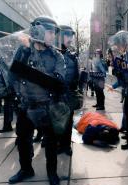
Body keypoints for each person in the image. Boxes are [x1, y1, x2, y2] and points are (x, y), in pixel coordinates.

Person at [7, 16, 68, 185]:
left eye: (53, 33)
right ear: (37, 31)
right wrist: (25, 52)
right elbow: (12, 76)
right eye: (49, 32)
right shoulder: (23, 51)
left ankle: (52, 172)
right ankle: (26, 169)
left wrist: (29, 72)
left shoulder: (57, 56)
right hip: (26, 106)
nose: (52, 36)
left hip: (47, 107)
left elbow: (56, 83)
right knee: (23, 141)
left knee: (50, 143)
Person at [58, 24, 82, 155]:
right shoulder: (52, 53)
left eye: (71, 36)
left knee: (68, 123)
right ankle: (59, 144)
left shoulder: (72, 57)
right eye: (67, 35)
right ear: (60, 36)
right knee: (57, 123)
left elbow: (77, 78)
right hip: (55, 96)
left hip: (69, 95)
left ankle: (66, 146)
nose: (70, 39)